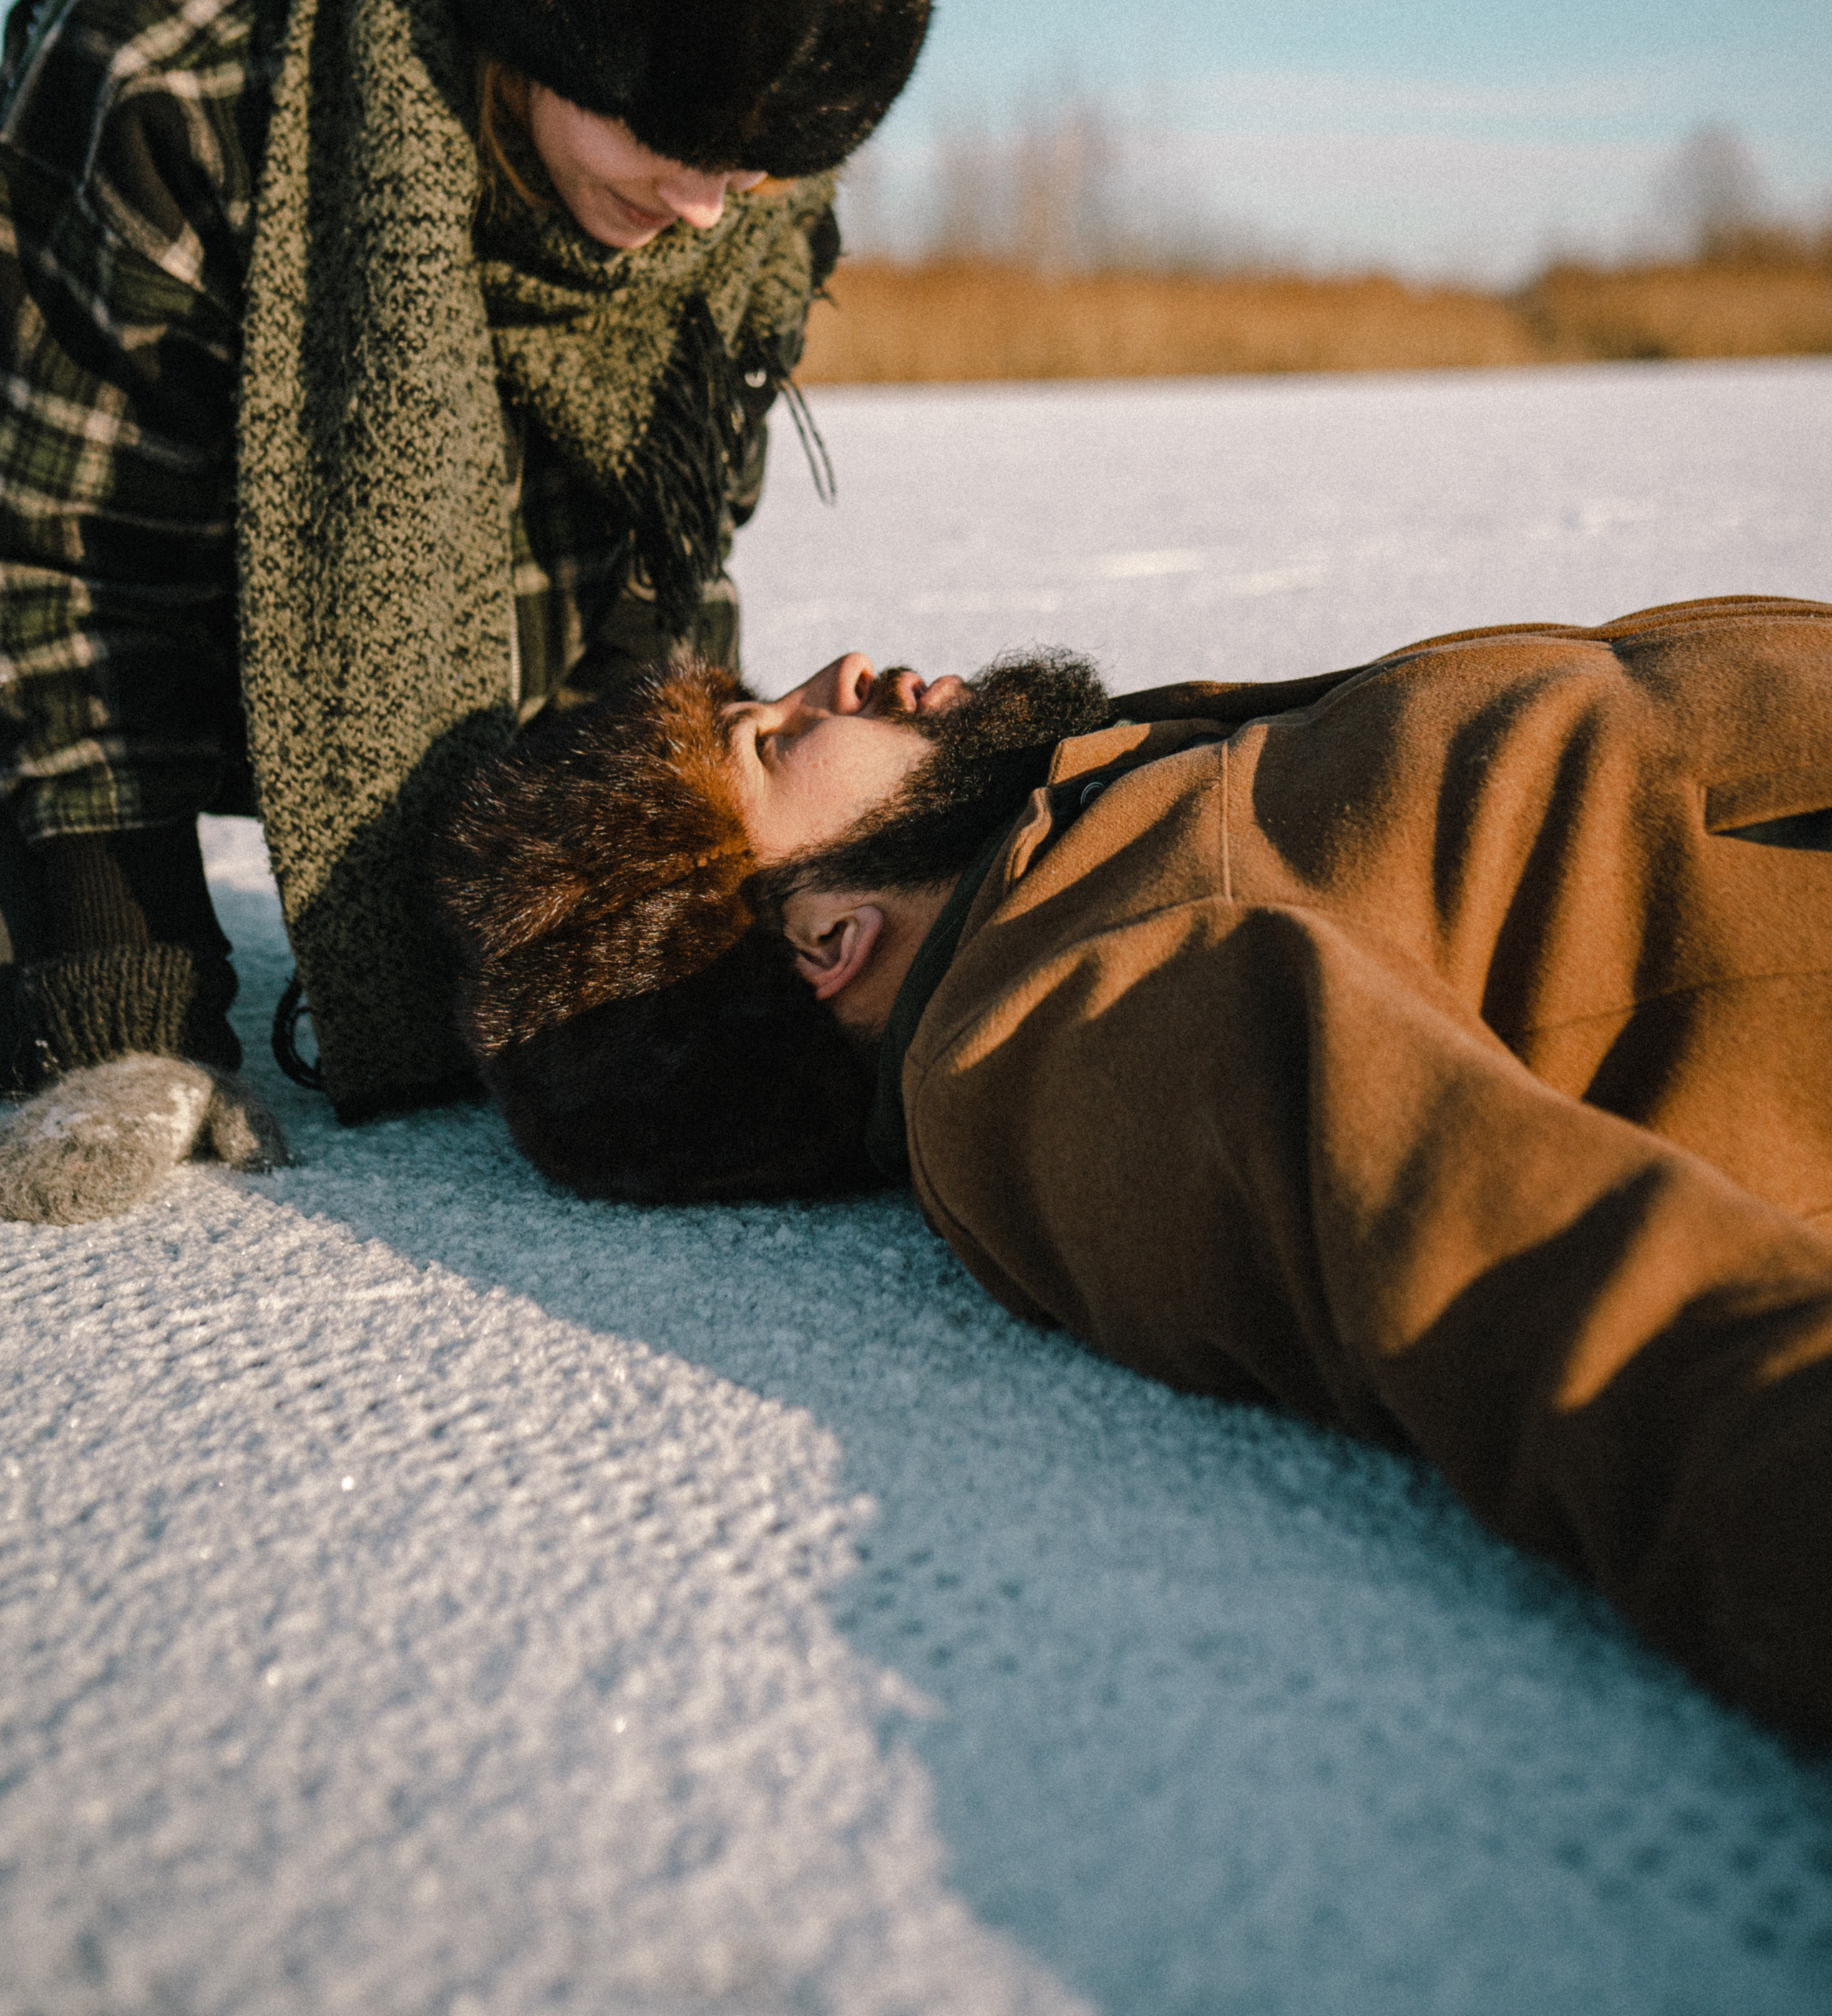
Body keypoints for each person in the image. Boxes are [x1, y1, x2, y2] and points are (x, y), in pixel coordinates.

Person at [430, 598, 1832, 1738]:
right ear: (824, 939)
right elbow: (1554, 1295)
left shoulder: (1064, 824)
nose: (840, 672)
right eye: (775, 739)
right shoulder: (1068, 1015)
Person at [0, 0, 958, 1174]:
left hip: (483, 680)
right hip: (176, 637)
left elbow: (664, 566)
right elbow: (61, 561)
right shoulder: (172, 59)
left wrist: (620, 926)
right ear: (537, 1)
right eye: (675, 145)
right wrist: (118, 988)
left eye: (756, 168)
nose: (708, 212)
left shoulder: (750, 168)